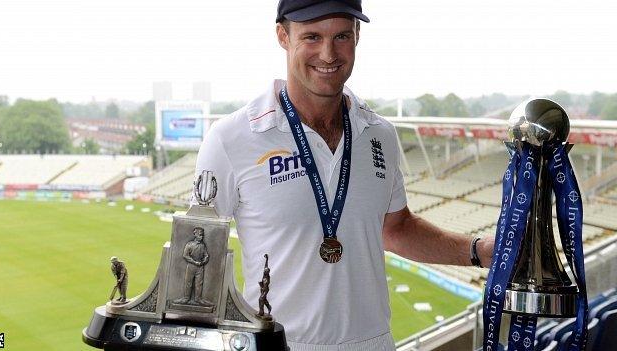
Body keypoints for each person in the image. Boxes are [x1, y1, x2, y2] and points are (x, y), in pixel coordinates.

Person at [192, 1, 494, 349]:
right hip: (281, 345)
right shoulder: (232, 138)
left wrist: (479, 250)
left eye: (341, 36)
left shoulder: (378, 133)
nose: (328, 53)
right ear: (282, 36)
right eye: (311, 36)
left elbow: (395, 228)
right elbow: (199, 256)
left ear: (357, 36)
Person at [173, 227, 213, 307]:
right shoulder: (189, 245)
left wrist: (204, 261)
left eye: (202, 235)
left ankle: (198, 299)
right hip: (191, 266)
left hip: (200, 267)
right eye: (200, 235)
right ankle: (186, 298)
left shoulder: (203, 245)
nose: (202, 237)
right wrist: (194, 262)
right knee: (188, 282)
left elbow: (206, 255)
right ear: (195, 234)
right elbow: (185, 255)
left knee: (199, 283)